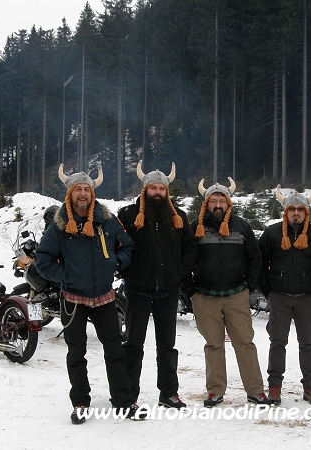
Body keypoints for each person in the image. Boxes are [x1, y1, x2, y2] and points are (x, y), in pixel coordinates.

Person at [35, 164, 143, 423]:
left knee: (115, 350)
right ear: (69, 194)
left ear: (92, 193)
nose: (82, 193)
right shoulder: (59, 226)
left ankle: (124, 401)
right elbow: (43, 260)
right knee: (76, 353)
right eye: (77, 189)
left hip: (104, 297)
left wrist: (116, 263)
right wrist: (67, 276)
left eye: (86, 189)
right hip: (73, 300)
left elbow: (127, 246)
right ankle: (81, 403)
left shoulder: (107, 220)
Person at [182, 178, 272, 407]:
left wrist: (248, 288)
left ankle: (255, 391)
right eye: (214, 200)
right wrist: (191, 291)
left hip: (236, 296)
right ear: (207, 203)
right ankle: (215, 391)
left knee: (245, 343)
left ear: (228, 202)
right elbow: (182, 260)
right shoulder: (196, 227)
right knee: (213, 344)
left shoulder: (241, 226)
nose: (218, 204)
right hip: (205, 297)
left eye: (222, 199)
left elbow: (255, 258)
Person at [117, 161, 198, 409]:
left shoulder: (178, 217)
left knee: (167, 345)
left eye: (162, 189)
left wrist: (179, 271)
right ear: (145, 190)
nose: (158, 193)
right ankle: (128, 394)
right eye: (153, 189)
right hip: (137, 289)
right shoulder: (128, 216)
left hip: (168, 290)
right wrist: (128, 269)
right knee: (133, 344)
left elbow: (190, 248)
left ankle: (169, 393)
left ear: (167, 192)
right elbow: (117, 246)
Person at [258, 185, 311, 406]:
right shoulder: (272, 233)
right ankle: (274, 386)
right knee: (277, 342)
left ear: (306, 212)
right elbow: (259, 263)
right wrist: (269, 291)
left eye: (300, 209)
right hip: (279, 296)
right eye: (292, 209)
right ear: (286, 211)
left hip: (308, 297)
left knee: (308, 343)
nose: (296, 213)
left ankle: (310, 387)